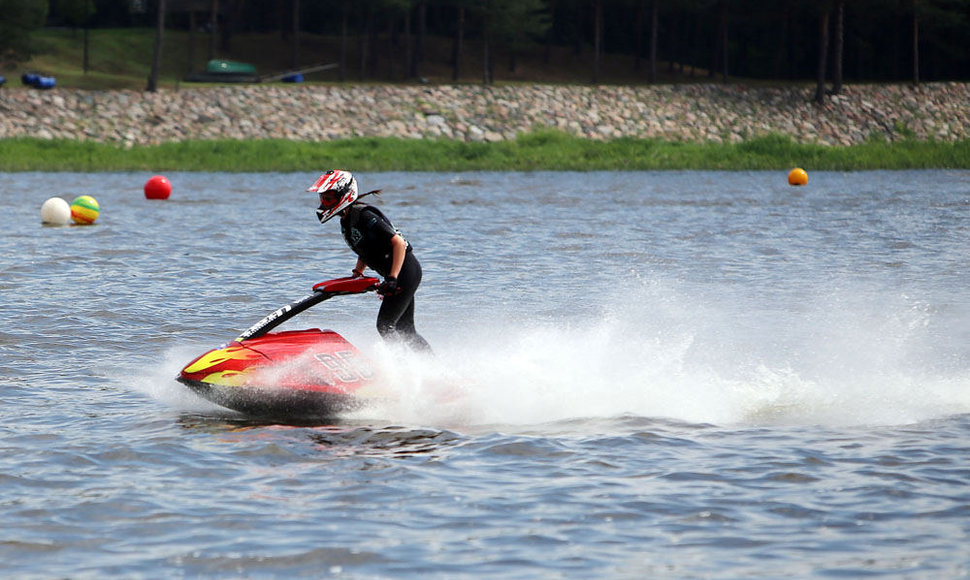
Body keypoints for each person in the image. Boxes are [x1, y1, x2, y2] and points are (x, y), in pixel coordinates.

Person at [307, 170, 432, 353]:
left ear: (344, 196)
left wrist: (392, 278)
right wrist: (358, 272)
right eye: (322, 198)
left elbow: (398, 243)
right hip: (398, 274)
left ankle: (404, 366)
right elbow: (366, 248)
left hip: (405, 272)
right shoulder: (346, 219)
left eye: (328, 199)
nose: (323, 203)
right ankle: (430, 365)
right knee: (405, 330)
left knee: (385, 325)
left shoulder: (364, 215)